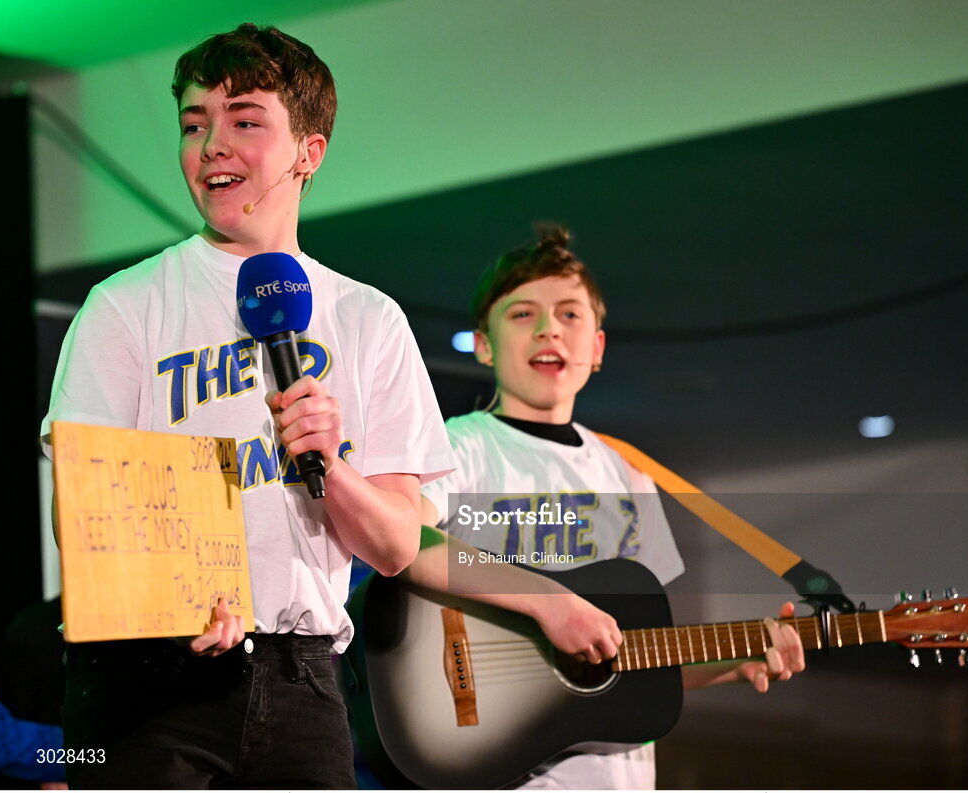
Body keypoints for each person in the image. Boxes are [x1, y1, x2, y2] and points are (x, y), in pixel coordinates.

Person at [40, 23, 453, 789]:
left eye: (245, 121)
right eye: (195, 125)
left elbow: (398, 545)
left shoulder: (367, 318)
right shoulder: (126, 306)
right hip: (146, 676)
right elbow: (84, 506)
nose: (212, 146)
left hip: (304, 679)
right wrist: (175, 600)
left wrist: (331, 464)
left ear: (309, 151)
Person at [409, 224, 804, 789]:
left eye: (570, 315)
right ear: (484, 344)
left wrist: (730, 662)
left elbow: (631, 654)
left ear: (596, 347)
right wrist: (548, 603)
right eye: (523, 314)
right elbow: (408, 541)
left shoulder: (627, 474)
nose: (549, 329)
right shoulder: (459, 447)